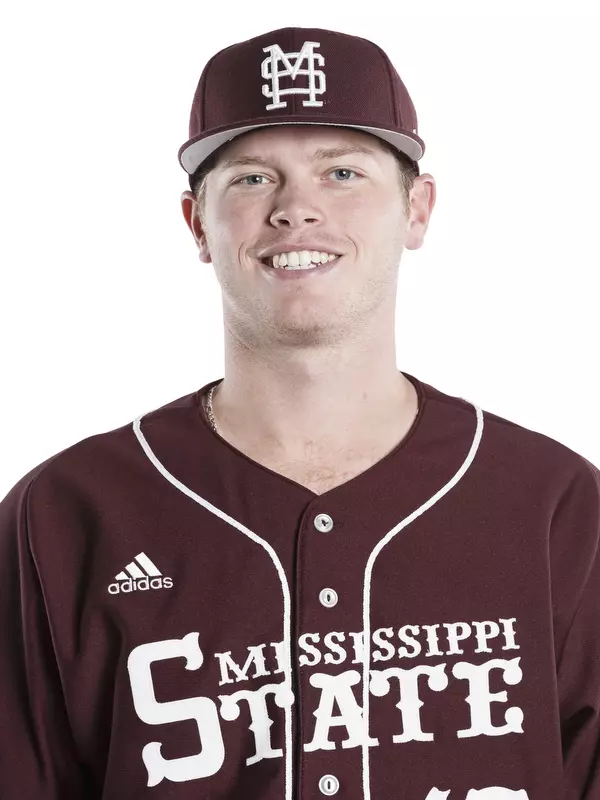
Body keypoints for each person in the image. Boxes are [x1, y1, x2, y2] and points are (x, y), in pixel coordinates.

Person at [0, 25, 598, 800]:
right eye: (252, 179)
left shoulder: (552, 504)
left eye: (342, 172)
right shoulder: (66, 515)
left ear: (418, 209)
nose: (296, 210)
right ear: (196, 225)